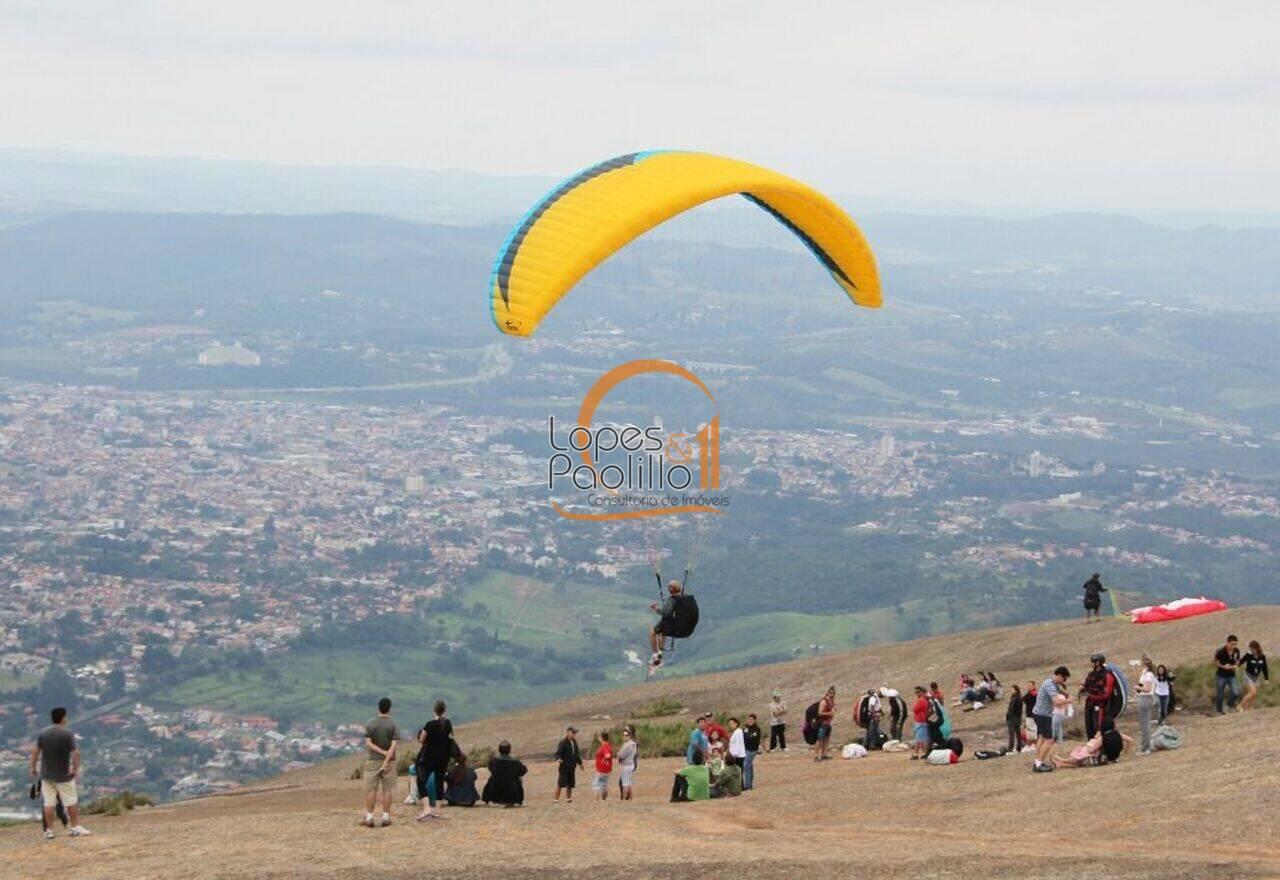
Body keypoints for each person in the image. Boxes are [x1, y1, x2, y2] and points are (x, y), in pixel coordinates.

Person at [29, 707, 89, 840]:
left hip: (46, 774)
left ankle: (49, 831)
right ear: (63, 718)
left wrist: (32, 767)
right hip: (63, 775)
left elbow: (35, 751)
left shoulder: (43, 733)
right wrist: (75, 768)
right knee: (71, 801)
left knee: (48, 803)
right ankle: (75, 827)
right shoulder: (67, 733)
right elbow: (76, 753)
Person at [362, 697, 399, 827]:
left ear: (379, 708)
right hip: (390, 762)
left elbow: (368, 743)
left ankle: (370, 817)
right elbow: (394, 746)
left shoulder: (371, 724)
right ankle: (385, 817)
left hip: (373, 760)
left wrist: (382, 753)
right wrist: (387, 756)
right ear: (389, 708)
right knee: (387, 789)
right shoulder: (393, 725)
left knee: (371, 789)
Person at [414, 700, 454, 821]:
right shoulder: (448, 723)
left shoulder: (430, 724)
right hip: (443, 758)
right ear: (444, 710)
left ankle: (426, 809)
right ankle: (437, 811)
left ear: (434, 710)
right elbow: (451, 737)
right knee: (439, 782)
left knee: (421, 781)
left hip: (429, 757)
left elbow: (421, 739)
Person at [1051, 717, 1132, 769]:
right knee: (1082, 761)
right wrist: (1125, 753)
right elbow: (1130, 740)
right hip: (1114, 759)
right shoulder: (1117, 734)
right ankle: (1061, 763)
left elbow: (1091, 751)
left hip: (1103, 759)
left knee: (1082, 758)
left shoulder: (1103, 738)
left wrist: (1088, 744)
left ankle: (1062, 761)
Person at [1032, 666, 1070, 773]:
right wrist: (1069, 700)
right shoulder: (1050, 685)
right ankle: (1039, 764)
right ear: (1059, 676)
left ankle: (1037, 761)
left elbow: (1060, 690)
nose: (1064, 681)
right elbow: (1057, 702)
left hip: (1039, 714)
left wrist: (1066, 693)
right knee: (1049, 740)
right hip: (1043, 715)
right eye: (1064, 679)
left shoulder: (1052, 683)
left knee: (1042, 738)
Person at [648, 580, 685, 670]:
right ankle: (660, 652)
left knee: (652, 633)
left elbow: (667, 613)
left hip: (669, 621)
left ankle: (655, 654)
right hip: (676, 622)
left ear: (671, 589)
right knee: (662, 633)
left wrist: (656, 609)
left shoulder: (672, 600)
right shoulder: (681, 598)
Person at [1080, 653, 1117, 738]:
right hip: (1089, 705)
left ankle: (1102, 748)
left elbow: (1106, 694)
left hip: (1100, 706)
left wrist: (1091, 695)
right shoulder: (1091, 674)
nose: (1091, 664)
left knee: (1099, 728)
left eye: (1092, 662)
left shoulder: (1108, 676)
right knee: (1089, 728)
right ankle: (1091, 748)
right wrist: (1082, 688)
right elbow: (1087, 685)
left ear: (1098, 663)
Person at [482, 740, 527, 807]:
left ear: (499, 750)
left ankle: (488, 798)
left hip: (496, 791)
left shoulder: (494, 761)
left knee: (492, 778)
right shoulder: (515, 762)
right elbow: (523, 770)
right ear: (509, 750)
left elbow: (490, 768)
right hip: (511, 793)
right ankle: (518, 799)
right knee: (518, 779)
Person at [1214, 635, 1243, 714]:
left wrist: (1236, 666)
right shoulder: (1220, 651)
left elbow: (1237, 660)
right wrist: (1224, 667)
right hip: (1221, 675)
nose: (1233, 646)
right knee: (1220, 695)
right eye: (1232, 644)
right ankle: (1219, 711)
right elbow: (1216, 662)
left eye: (1235, 644)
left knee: (1236, 692)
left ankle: (1228, 705)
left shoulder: (1237, 651)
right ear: (1227, 642)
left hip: (1231, 675)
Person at [554, 727, 582, 803]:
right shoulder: (563, 742)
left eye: (575, 733)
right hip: (564, 767)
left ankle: (568, 798)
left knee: (570, 783)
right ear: (568, 732)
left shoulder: (574, 742)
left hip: (572, 766)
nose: (574, 734)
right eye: (573, 733)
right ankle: (556, 799)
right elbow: (558, 753)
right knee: (560, 783)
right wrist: (559, 759)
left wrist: (580, 763)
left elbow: (576, 754)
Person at [1135, 656, 1157, 754]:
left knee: (1145, 724)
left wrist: (1137, 687)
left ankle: (1145, 747)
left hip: (1146, 698)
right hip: (1144, 697)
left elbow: (1147, 688)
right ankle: (1145, 746)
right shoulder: (1145, 674)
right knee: (1144, 723)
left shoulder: (1148, 675)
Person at [1240, 640, 1269, 711]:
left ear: (1257, 648)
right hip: (1248, 675)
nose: (1251, 651)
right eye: (1250, 649)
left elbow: (1264, 668)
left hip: (1256, 677)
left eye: (1253, 649)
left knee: (1253, 695)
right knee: (1253, 692)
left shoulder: (1262, 656)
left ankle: (1249, 710)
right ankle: (1240, 705)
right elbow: (1241, 661)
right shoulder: (1248, 655)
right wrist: (1236, 666)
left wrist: (1266, 679)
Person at [616, 726, 638, 801]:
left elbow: (621, 755)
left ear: (630, 735)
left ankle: (624, 799)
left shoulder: (628, 745)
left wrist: (618, 754)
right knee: (628, 783)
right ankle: (630, 798)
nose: (625, 736)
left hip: (626, 765)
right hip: (630, 764)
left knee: (624, 784)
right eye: (623, 735)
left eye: (626, 735)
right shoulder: (632, 744)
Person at [815, 686, 836, 762]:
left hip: (828, 723)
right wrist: (829, 713)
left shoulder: (832, 701)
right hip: (822, 723)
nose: (832, 694)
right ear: (828, 692)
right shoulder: (824, 701)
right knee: (820, 740)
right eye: (830, 692)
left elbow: (833, 709)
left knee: (827, 739)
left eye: (833, 693)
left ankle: (824, 754)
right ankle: (817, 756)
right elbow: (820, 713)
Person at [911, 686, 931, 760]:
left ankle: (916, 753)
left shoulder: (921, 700)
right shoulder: (923, 700)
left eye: (918, 692)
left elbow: (915, 709)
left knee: (919, 739)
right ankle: (924, 752)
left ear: (922, 692)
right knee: (921, 739)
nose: (917, 693)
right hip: (922, 721)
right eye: (916, 692)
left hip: (921, 721)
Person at [742, 714, 761, 791]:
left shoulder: (757, 729)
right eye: (749, 719)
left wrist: (747, 734)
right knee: (749, 766)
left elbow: (751, 738)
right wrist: (747, 735)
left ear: (755, 720)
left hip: (752, 750)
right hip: (746, 749)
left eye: (752, 719)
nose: (750, 721)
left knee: (746, 765)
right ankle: (750, 784)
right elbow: (745, 736)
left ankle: (747, 786)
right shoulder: (745, 728)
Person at [592, 731, 613, 801]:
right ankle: (604, 800)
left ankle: (596, 801)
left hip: (602, 770)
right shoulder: (607, 745)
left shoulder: (604, 746)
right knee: (604, 785)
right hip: (606, 770)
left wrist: (603, 760)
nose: (599, 738)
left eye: (599, 737)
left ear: (602, 738)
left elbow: (607, 755)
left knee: (596, 785)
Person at [1005, 684, 1024, 752]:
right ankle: (1019, 747)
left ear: (1016, 690)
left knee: (1012, 734)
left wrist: (1008, 716)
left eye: (1012, 689)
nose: (1011, 690)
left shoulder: (1014, 698)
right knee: (1018, 734)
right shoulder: (1019, 697)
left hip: (1012, 718)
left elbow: (1011, 709)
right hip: (1018, 718)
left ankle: (1010, 748)